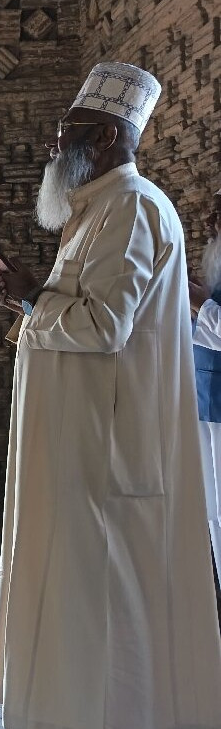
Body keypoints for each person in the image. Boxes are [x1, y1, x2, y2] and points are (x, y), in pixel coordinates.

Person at [0, 62, 221, 729]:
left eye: (67, 132)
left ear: (112, 138)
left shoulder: (134, 208)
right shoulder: (96, 212)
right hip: (78, 453)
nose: (52, 147)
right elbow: (75, 314)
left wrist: (33, 296)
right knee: (78, 613)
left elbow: (100, 326)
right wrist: (26, 300)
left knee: (110, 621)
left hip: (108, 460)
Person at [189, 190, 221, 570]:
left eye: (219, 214)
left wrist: (201, 305)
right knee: (211, 509)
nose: (210, 222)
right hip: (204, 398)